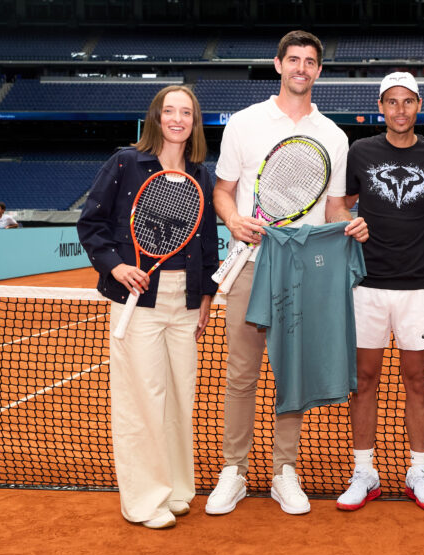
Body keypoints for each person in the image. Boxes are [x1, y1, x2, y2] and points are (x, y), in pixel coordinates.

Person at [207, 30, 367, 517]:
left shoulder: (335, 136)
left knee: (291, 374)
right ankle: (233, 471)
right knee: (241, 374)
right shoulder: (245, 123)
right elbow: (222, 189)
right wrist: (233, 219)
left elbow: (335, 207)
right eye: (293, 59)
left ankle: (284, 472)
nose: (301, 67)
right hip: (251, 265)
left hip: (306, 272)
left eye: (310, 61)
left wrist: (352, 226)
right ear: (278, 65)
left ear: (319, 70)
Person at [76, 85, 218, 529]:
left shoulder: (201, 174)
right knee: (142, 401)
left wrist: (207, 299)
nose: (178, 119)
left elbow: (208, 241)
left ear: (194, 122)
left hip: (186, 300)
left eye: (187, 113)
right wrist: (116, 267)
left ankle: (175, 489)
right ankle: (142, 500)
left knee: (179, 398)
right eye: (169, 111)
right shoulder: (125, 163)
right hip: (139, 302)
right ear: (155, 117)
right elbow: (91, 221)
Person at [332, 72, 424, 511]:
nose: (400, 110)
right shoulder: (360, 151)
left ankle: (418, 471)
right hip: (366, 285)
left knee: (417, 381)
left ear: (418, 106)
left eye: (408, 102)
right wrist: (349, 222)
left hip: (419, 288)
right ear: (380, 107)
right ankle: (364, 472)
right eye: (391, 102)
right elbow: (340, 204)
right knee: (363, 382)